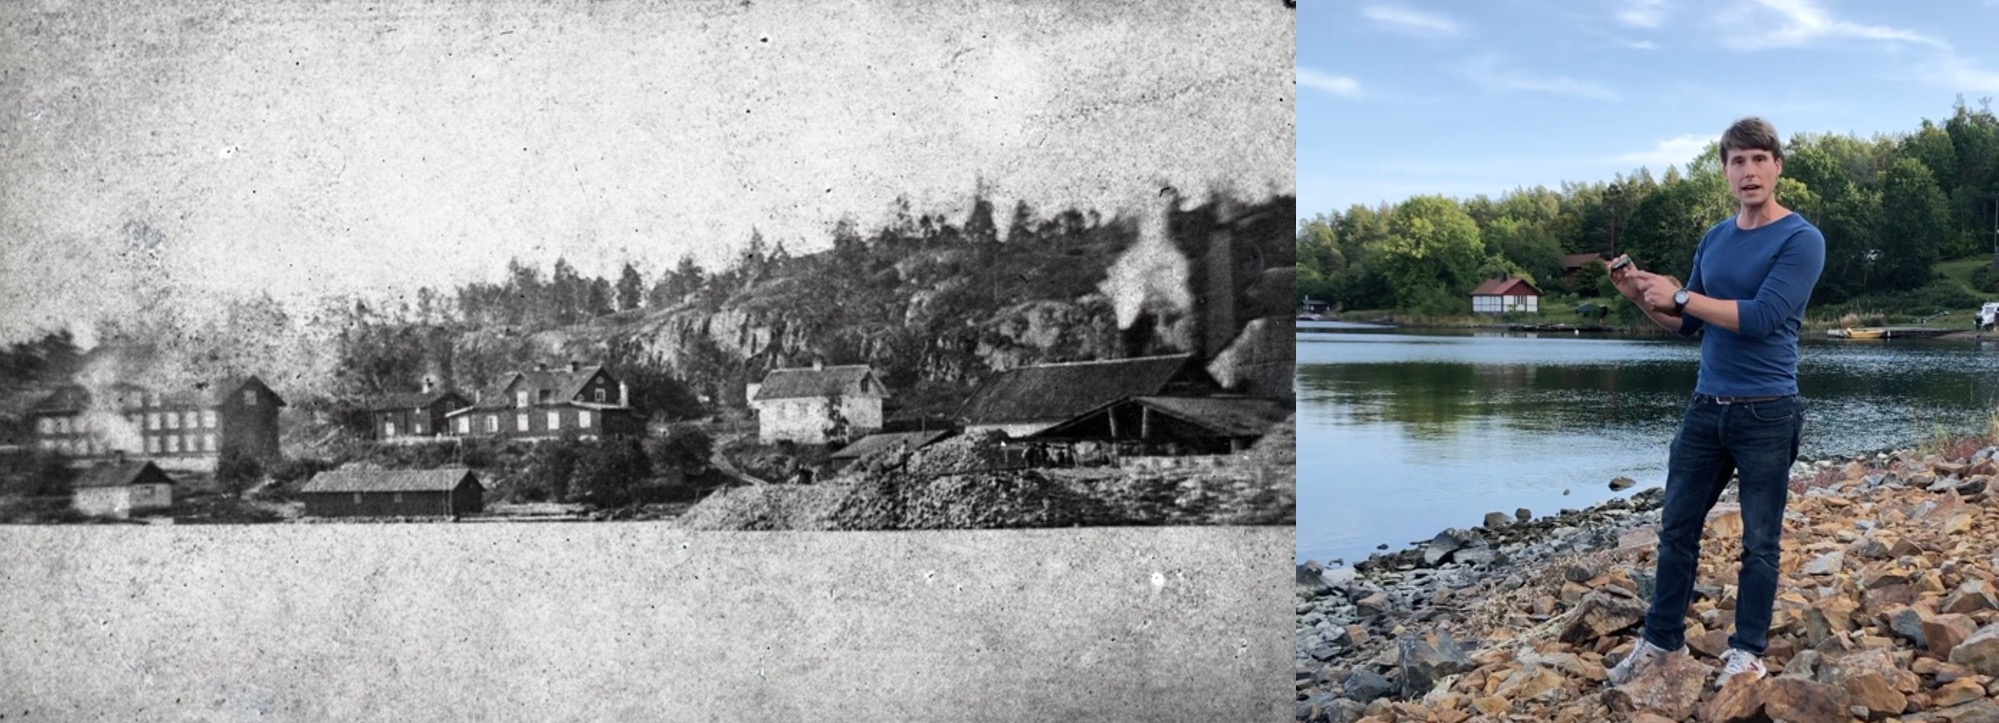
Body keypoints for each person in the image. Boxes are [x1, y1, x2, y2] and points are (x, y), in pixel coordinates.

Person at [1604, 117, 1826, 690]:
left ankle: (1747, 650)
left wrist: (1681, 293)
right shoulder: (1715, 237)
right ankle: (1660, 641)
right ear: (1725, 170)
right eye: (1736, 161)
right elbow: (1685, 326)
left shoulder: (1801, 239)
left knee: (1759, 542)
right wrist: (1640, 297)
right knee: (1676, 528)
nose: (1748, 171)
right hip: (1706, 408)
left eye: (1758, 159)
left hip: (1768, 410)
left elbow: (1762, 317)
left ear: (1777, 165)